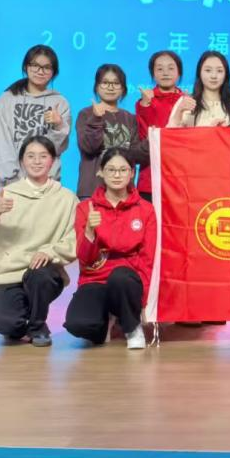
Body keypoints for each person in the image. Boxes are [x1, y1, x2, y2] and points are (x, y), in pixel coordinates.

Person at [0, 136, 77, 347]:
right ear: (22, 161)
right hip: (8, 272)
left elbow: (74, 239)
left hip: (43, 272)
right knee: (7, 326)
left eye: (43, 156)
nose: (37, 161)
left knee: (40, 274)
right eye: (30, 156)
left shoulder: (67, 198)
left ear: (53, 161)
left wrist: (50, 252)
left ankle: (38, 326)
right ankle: (22, 318)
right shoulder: (6, 194)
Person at [66, 149, 156, 350]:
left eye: (123, 170)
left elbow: (147, 259)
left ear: (132, 173)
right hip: (95, 279)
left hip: (127, 282)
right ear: (100, 172)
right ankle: (107, 318)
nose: (117, 175)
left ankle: (131, 326)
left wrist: (143, 303)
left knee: (120, 276)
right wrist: (89, 231)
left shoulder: (145, 209)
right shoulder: (86, 208)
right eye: (111, 169)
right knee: (79, 325)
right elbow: (84, 259)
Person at [0, 45, 71, 186]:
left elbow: (58, 148)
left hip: (47, 182)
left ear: (54, 72)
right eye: (35, 65)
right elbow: (1, 140)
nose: (40, 71)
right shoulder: (8, 99)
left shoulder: (60, 102)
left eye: (47, 67)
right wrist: (10, 176)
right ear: (26, 67)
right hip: (12, 182)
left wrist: (58, 125)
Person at [75, 64, 147, 200]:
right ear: (97, 87)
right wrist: (96, 119)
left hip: (124, 192)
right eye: (105, 83)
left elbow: (135, 155)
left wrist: (152, 138)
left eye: (116, 83)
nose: (110, 87)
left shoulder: (130, 118)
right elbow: (89, 147)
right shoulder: (86, 114)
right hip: (92, 190)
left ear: (123, 88)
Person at [134, 50, 185, 204]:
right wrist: (145, 105)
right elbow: (145, 137)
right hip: (151, 175)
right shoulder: (145, 101)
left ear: (179, 73)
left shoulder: (188, 101)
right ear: (153, 74)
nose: (165, 73)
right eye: (160, 69)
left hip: (179, 176)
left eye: (171, 68)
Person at [168, 51, 230, 128]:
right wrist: (179, 111)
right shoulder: (186, 102)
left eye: (219, 71)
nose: (214, 76)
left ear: (226, 75)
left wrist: (223, 132)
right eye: (208, 70)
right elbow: (169, 134)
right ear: (199, 73)